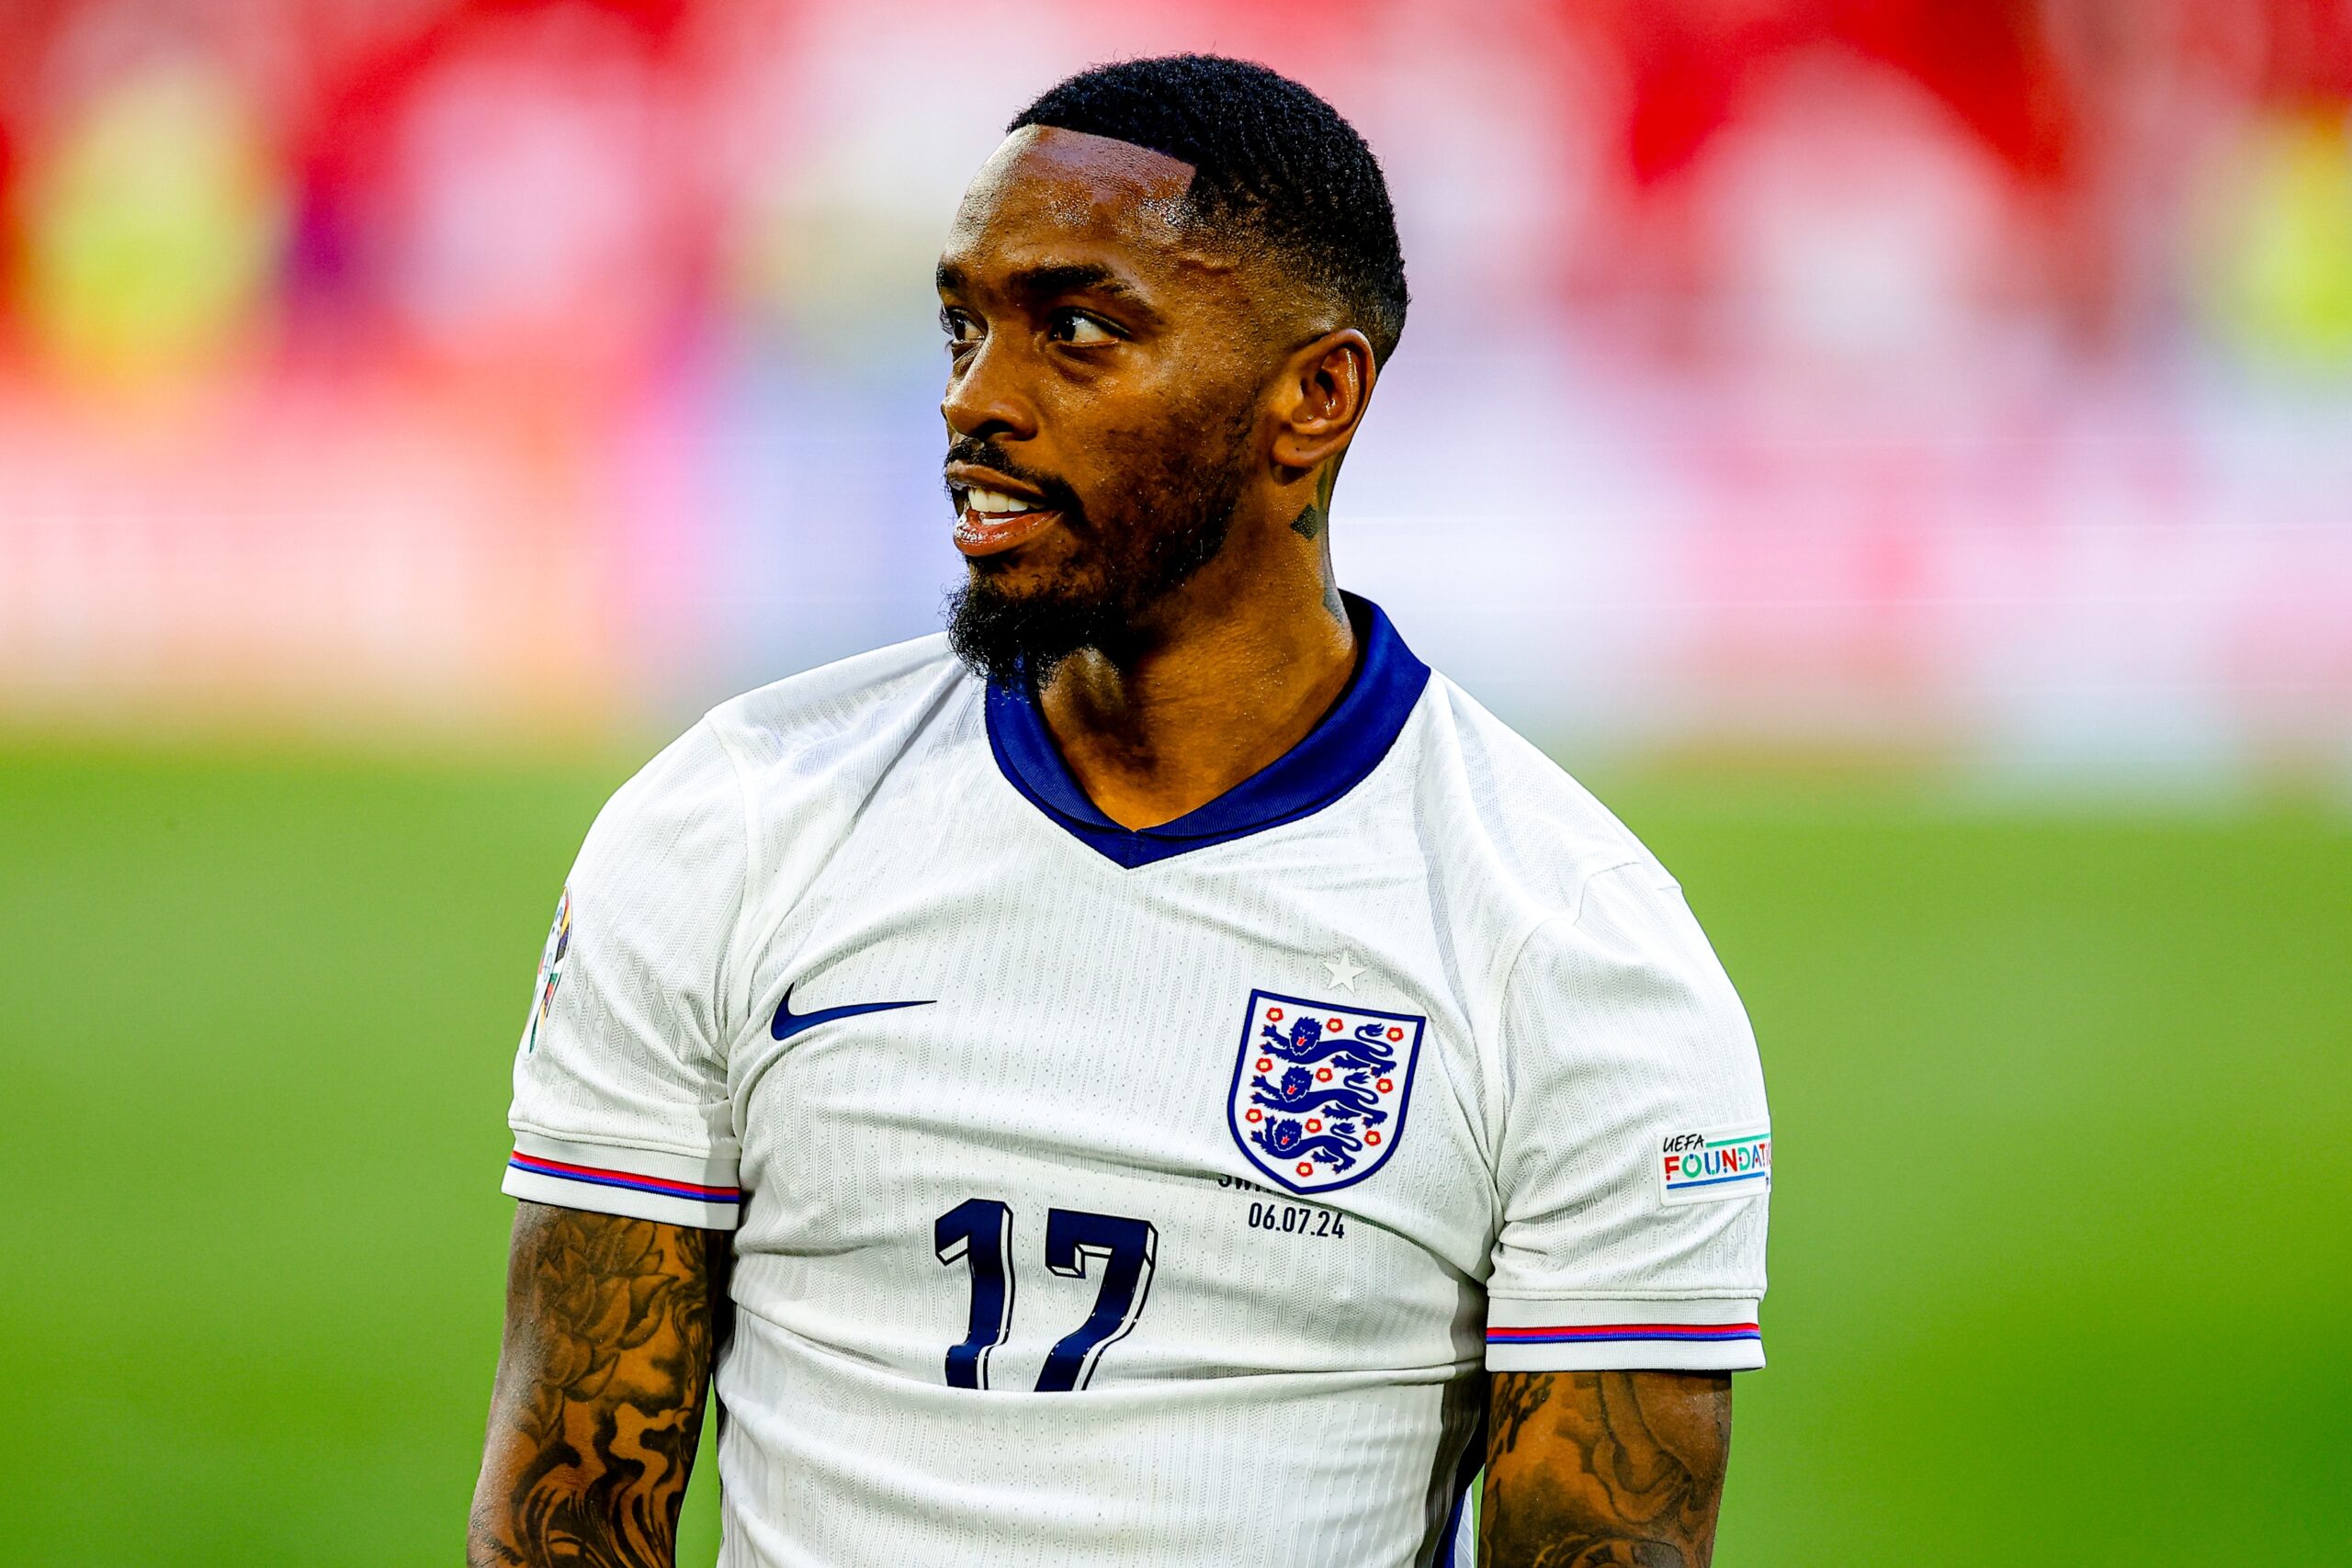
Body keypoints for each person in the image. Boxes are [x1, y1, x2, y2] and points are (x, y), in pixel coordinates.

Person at [469, 53, 1770, 1568]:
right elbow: (569, 1511)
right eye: (963, 325)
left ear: (1315, 398)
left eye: (1076, 332)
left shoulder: (1574, 951)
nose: (973, 401)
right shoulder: (737, 821)